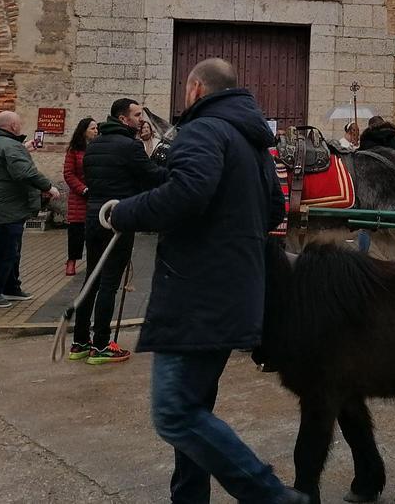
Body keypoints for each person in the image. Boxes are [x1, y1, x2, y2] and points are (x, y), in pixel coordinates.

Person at [99, 58, 307, 504]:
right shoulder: (252, 142)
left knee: (174, 413)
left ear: (195, 88)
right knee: (195, 409)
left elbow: (188, 193)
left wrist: (124, 212)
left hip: (195, 296)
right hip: (236, 293)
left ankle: (272, 496)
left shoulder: (202, 130)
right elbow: (274, 210)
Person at [73, 98, 167, 365]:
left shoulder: (95, 145)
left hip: (94, 217)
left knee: (91, 278)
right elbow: (152, 175)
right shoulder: (129, 146)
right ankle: (101, 344)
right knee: (109, 282)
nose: (141, 119)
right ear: (123, 119)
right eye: (137, 115)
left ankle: (80, 341)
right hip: (118, 218)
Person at [0, 112, 60, 308]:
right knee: (7, 252)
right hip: (6, 208)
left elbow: (6, 164)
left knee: (12, 251)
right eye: (19, 123)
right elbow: (25, 172)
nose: (21, 126)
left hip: (5, 206)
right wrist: (48, 187)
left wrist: (23, 149)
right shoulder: (10, 146)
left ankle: (11, 287)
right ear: (13, 126)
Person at [62, 117, 97, 277]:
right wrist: (83, 189)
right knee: (76, 232)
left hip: (95, 195)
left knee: (94, 232)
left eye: (96, 128)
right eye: (92, 128)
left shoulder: (98, 148)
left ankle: (94, 263)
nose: (96, 131)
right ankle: (72, 261)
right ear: (83, 131)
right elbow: (69, 174)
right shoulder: (74, 150)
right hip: (79, 196)